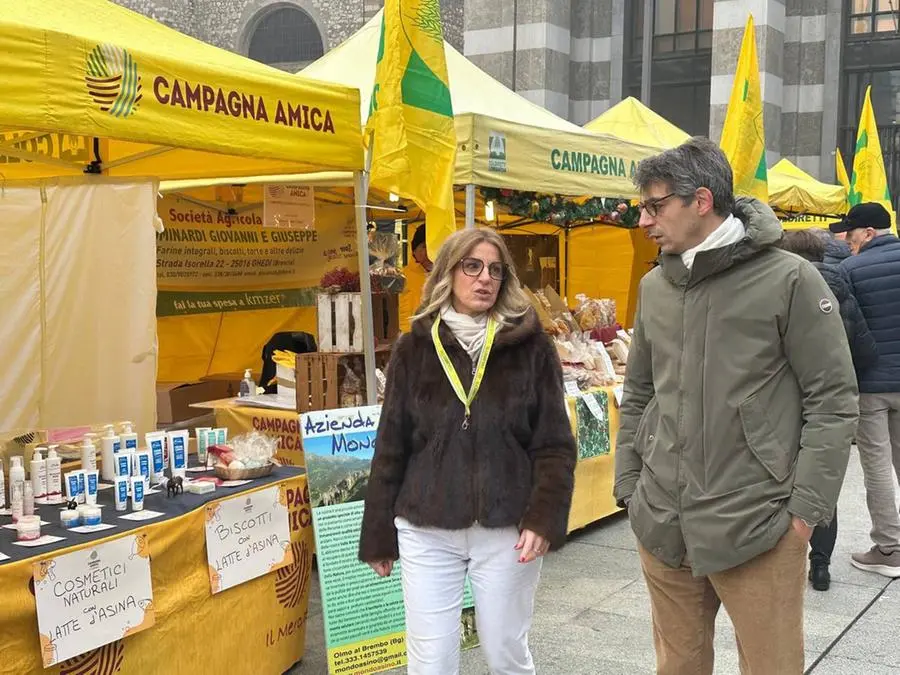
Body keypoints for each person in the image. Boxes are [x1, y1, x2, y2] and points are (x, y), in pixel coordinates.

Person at [614, 137, 859, 675]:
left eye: (654, 206)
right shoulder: (656, 285)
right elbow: (639, 393)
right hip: (663, 522)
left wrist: (803, 515)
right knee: (678, 666)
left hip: (760, 525)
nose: (643, 221)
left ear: (701, 201)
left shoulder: (790, 279)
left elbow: (834, 400)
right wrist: (630, 486)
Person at [359, 228, 577, 675]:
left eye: (495, 270)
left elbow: (554, 443)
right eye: (472, 266)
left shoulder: (531, 347)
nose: (485, 279)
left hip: (506, 528)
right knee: (430, 660)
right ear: (447, 273)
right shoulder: (414, 347)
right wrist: (378, 532)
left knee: (505, 653)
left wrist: (544, 517)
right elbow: (391, 445)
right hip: (426, 527)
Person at [780, 229, 878, 590]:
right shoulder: (840, 283)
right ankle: (819, 564)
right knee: (824, 479)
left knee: (787, 474)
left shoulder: (779, 285)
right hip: (833, 398)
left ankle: (782, 558)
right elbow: (864, 346)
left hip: (789, 398)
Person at [830, 203, 900, 578]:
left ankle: (889, 548)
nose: (848, 239)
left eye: (852, 233)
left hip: (871, 384)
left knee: (876, 467)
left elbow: (846, 330)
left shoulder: (848, 270)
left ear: (869, 232)